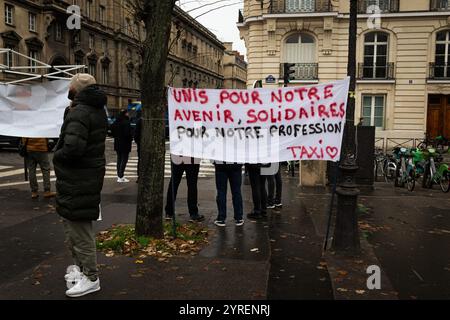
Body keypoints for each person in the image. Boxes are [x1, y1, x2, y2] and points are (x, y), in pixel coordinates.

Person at [53, 73, 107, 298]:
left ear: (77, 89)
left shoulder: (81, 112)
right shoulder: (93, 110)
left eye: (70, 85)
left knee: (79, 229)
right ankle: (82, 270)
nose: (68, 88)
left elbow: (73, 149)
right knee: (73, 225)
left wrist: (58, 155)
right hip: (82, 178)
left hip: (78, 179)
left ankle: (91, 277)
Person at [165, 156, 205, 222]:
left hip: (178, 156)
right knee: (192, 184)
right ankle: (193, 213)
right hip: (192, 157)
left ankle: (169, 212)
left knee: (174, 183)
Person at [213, 161, 244, 227]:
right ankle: (239, 217)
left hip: (221, 165)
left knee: (221, 192)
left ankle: (221, 218)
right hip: (235, 165)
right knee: (236, 192)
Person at [111, 109, 133, 183]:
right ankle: (120, 176)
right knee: (124, 160)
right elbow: (128, 134)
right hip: (125, 144)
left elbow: (112, 129)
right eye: (127, 113)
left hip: (117, 143)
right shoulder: (126, 122)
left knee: (119, 159)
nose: (128, 114)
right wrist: (130, 137)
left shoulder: (116, 121)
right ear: (125, 114)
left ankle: (119, 175)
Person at [134, 111, 142, 182]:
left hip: (140, 144)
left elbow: (136, 134)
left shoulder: (139, 121)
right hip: (141, 144)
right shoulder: (141, 121)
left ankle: (139, 176)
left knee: (140, 161)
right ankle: (140, 176)